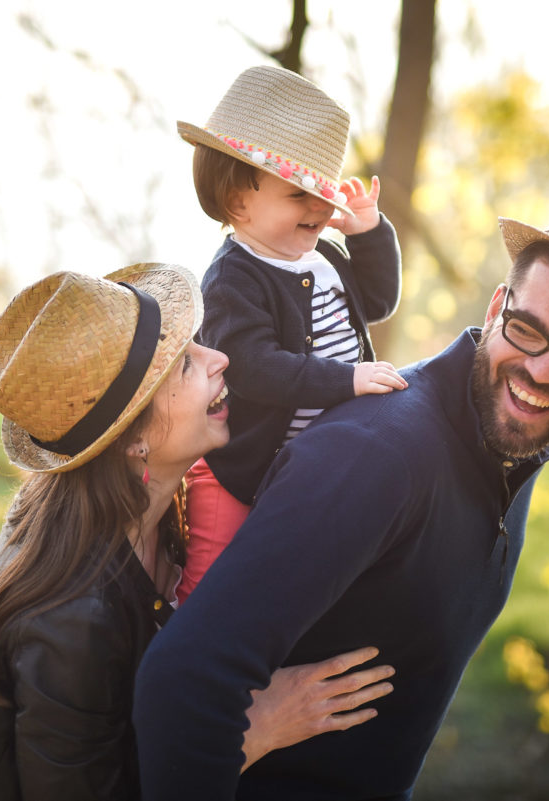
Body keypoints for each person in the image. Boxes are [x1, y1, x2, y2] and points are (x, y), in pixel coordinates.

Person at [131, 196, 549, 799]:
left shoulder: (511, 451)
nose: (541, 371)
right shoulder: (374, 456)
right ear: (498, 307)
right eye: (527, 331)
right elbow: (183, 683)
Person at [0, 265, 394, 801]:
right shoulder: (73, 622)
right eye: (185, 365)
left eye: (196, 344)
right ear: (133, 441)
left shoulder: (152, 505)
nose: (220, 357)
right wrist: (251, 731)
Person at [174, 65, 406, 603]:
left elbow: (378, 302)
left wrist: (370, 235)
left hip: (313, 464)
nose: (321, 209)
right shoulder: (234, 277)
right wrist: (346, 381)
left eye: (324, 195)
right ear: (238, 202)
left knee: (295, 578)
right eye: (299, 195)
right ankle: (185, 653)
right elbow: (255, 367)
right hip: (244, 468)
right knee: (214, 579)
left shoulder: (323, 255)